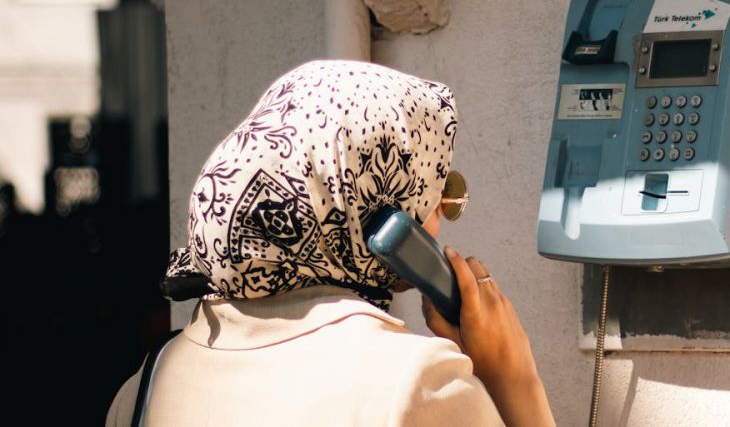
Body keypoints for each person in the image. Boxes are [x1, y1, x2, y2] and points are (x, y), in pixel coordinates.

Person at [105, 60, 556, 426]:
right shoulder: (416, 383)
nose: (440, 220)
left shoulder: (146, 385)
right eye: (439, 196)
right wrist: (514, 377)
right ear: (384, 217)